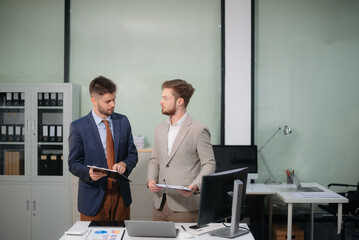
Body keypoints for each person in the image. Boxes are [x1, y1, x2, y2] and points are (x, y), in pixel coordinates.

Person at [68, 76, 138, 221]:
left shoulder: (123, 121)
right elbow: (73, 163)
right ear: (94, 100)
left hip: (121, 196)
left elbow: (132, 154)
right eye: (108, 101)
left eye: (114, 99)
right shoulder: (78, 127)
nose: (113, 104)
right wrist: (88, 172)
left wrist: (124, 164)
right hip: (93, 197)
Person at [147, 79, 216, 222]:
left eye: (165, 98)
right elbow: (155, 160)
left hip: (185, 206)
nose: (161, 101)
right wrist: (151, 179)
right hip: (159, 204)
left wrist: (196, 185)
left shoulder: (198, 129)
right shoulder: (160, 128)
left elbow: (210, 164)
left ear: (180, 101)